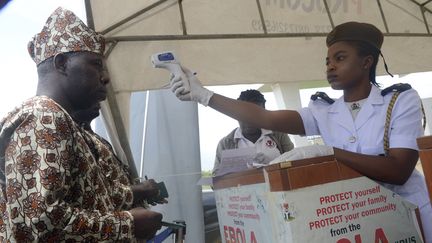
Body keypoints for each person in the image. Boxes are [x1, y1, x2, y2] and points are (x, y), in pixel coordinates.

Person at [170, 22, 432, 242]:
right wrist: (204, 95)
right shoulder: (323, 109)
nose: (330, 66)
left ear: (367, 62)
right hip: (356, 221)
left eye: (340, 58)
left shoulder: (399, 100)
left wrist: (330, 153)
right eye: (327, 60)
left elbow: (398, 171)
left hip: (406, 214)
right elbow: (265, 116)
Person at [0, 7, 163, 242]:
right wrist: (128, 225)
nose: (106, 77)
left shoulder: (63, 122)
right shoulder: (43, 117)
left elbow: (92, 197)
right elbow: (38, 224)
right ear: (62, 63)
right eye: (96, 64)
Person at [213, 89, 293, 176]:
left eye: (255, 115)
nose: (249, 120)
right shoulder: (226, 143)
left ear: (264, 113)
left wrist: (272, 166)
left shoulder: (278, 134)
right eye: (244, 114)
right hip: (244, 189)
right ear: (236, 114)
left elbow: (295, 164)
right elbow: (216, 180)